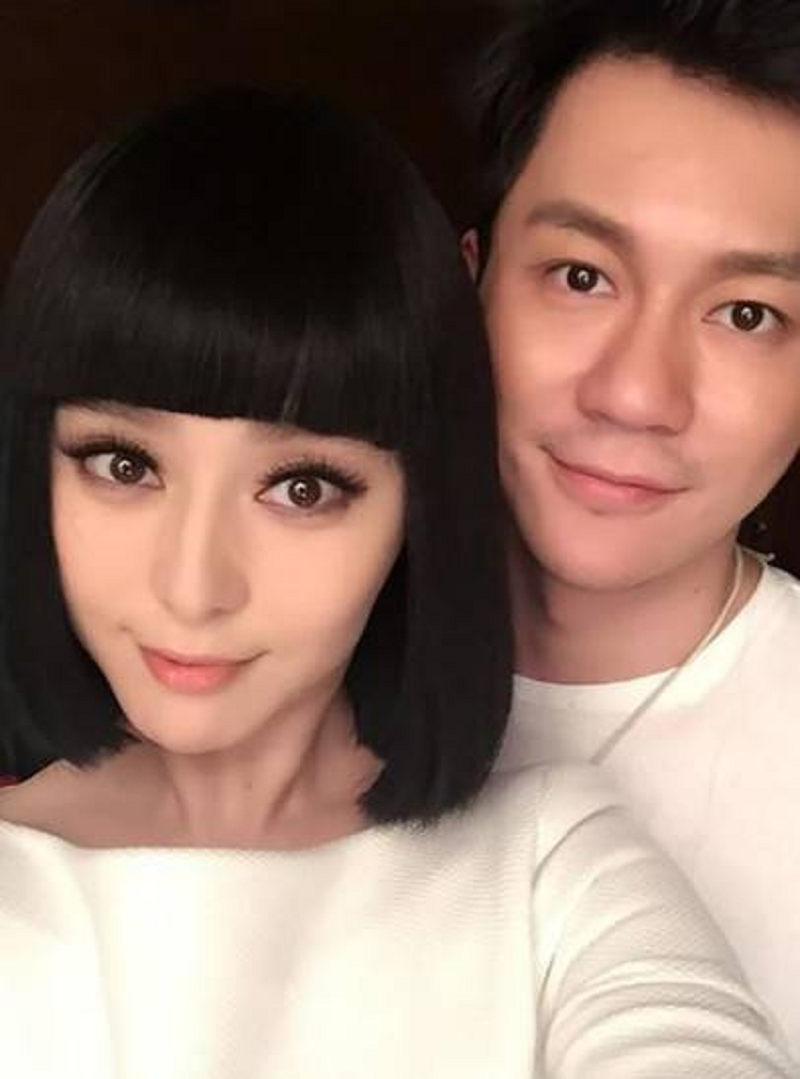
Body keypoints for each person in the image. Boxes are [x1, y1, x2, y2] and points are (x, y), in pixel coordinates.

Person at [0, 87, 793, 1078]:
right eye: (123, 464)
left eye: (301, 487)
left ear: (417, 503)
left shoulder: (555, 863)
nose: (193, 587)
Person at [466, 0, 800, 1057]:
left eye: (746, 314)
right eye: (582, 276)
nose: (636, 394)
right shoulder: (237, 662)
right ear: (466, 281)